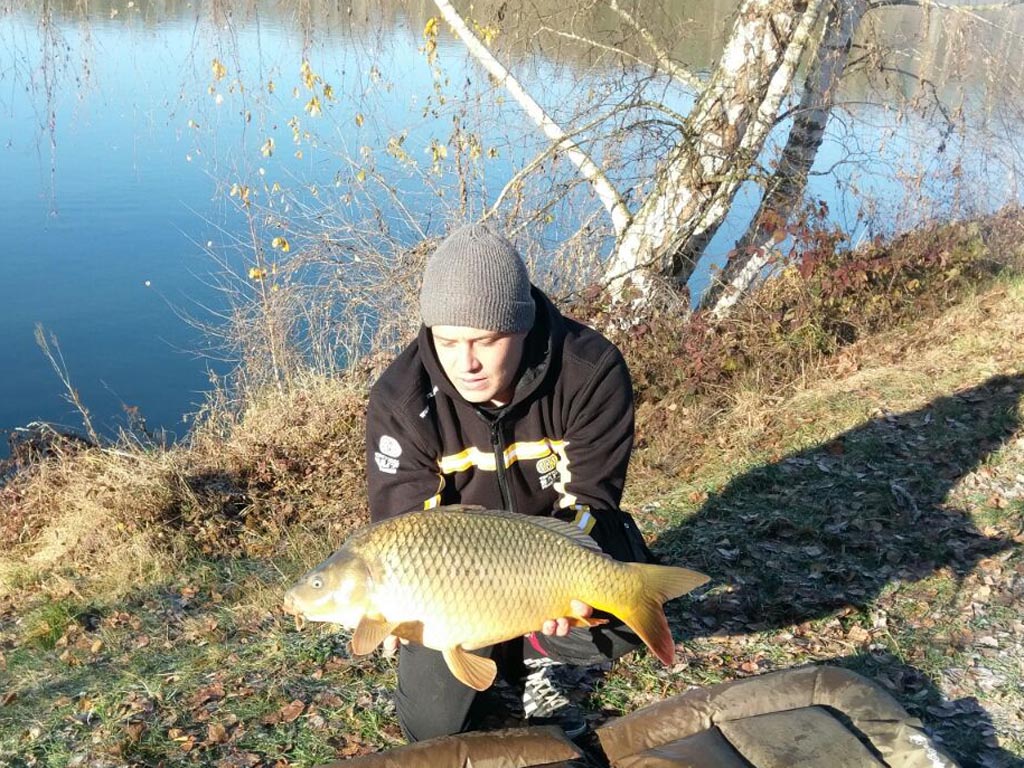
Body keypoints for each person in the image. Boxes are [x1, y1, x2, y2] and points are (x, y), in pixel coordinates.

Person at [365, 222, 657, 742]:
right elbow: (403, 531)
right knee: (430, 727)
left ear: (521, 327)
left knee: (624, 608)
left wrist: (562, 585)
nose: (467, 363)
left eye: (487, 340)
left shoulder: (590, 370)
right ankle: (492, 644)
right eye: (449, 341)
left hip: (550, 552)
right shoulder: (401, 398)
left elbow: (590, 501)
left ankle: (539, 655)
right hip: (455, 581)